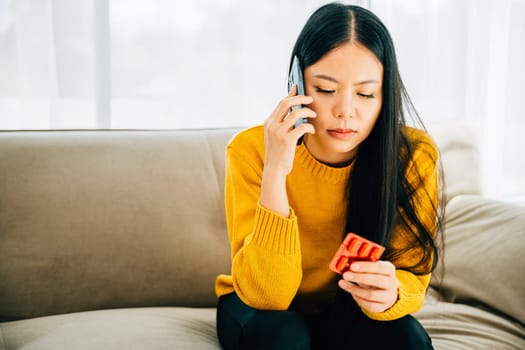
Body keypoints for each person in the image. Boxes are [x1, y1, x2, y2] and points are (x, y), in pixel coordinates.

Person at [215, 2, 444, 349]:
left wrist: (392, 291)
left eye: (366, 94)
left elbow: (413, 277)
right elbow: (268, 295)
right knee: (287, 336)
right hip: (258, 308)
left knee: (407, 338)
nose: (345, 112)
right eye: (324, 89)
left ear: (385, 96)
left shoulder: (413, 155)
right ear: (296, 83)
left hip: (345, 307)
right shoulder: (250, 151)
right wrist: (277, 168)